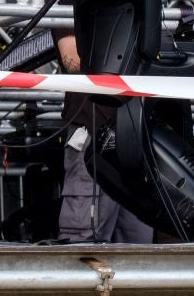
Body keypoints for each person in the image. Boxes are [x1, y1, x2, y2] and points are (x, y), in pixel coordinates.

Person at [55, 31, 154, 243]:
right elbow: (71, 59)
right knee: (84, 241)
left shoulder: (144, 2)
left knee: (136, 245)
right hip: (93, 134)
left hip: (136, 136)